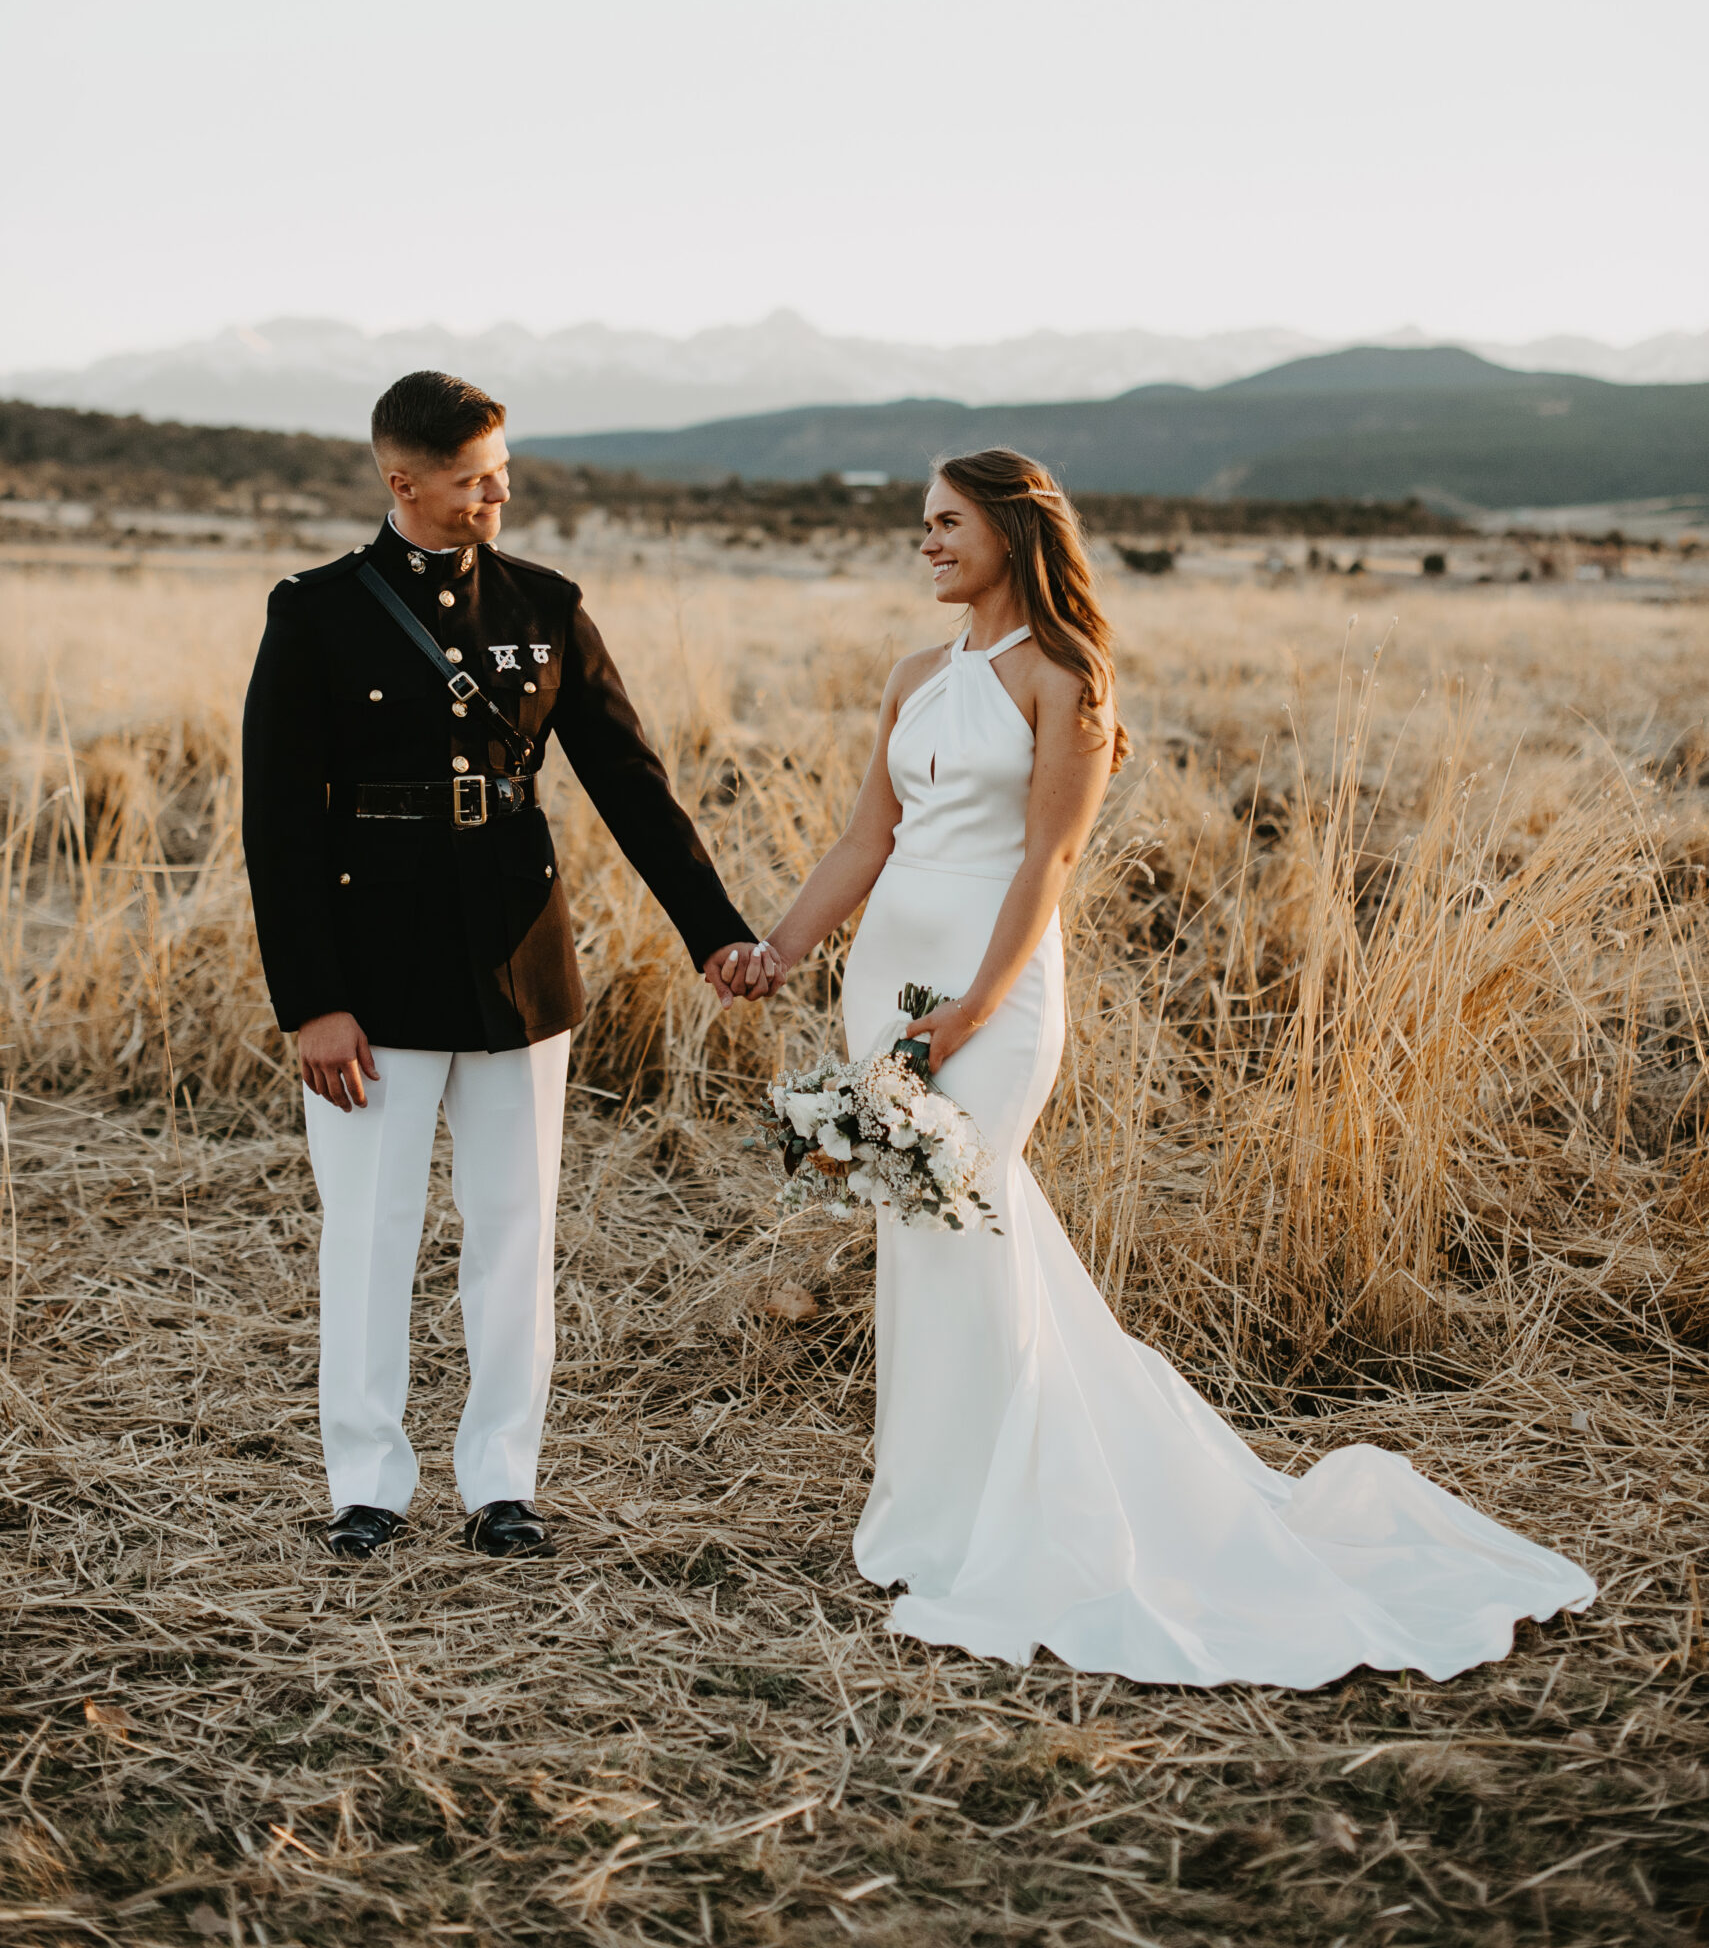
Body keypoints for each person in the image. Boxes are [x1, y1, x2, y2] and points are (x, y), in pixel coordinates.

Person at [742, 448, 1595, 1684]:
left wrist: (976, 1007)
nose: (924, 541)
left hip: (994, 990)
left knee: (971, 1217)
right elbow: (866, 837)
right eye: (919, 523)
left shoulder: (1066, 676)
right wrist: (777, 951)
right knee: (919, 1237)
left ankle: (1042, 1519)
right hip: (887, 983)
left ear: (1010, 532)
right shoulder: (914, 675)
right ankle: (935, 1514)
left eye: (945, 522)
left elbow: (1048, 861)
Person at [242, 369, 773, 1562]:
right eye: (478, 478)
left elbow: (632, 784)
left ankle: (501, 1482)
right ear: (404, 483)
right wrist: (312, 1000)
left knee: (513, 1224)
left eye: (503, 469)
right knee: (370, 1232)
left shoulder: (544, 601)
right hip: (368, 974)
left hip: (519, 963)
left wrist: (714, 929)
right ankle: (366, 1483)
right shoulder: (316, 613)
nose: (501, 492)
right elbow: (276, 824)